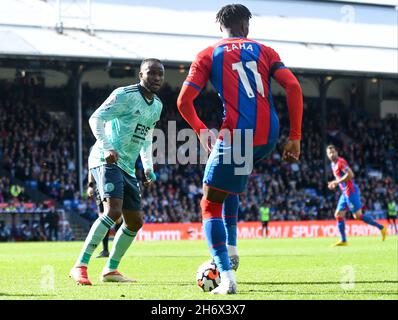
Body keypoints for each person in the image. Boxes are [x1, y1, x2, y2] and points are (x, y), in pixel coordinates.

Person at [177, 4, 303, 294]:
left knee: (209, 202)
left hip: (236, 136)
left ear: (221, 27)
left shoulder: (208, 54)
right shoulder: (265, 51)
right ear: (246, 26)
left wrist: (200, 129)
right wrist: (294, 136)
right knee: (229, 189)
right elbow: (293, 87)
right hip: (269, 135)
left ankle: (225, 276)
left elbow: (184, 102)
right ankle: (231, 251)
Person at [69, 58, 164, 285]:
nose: (157, 78)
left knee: (135, 221)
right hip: (106, 160)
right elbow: (96, 118)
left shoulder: (157, 105)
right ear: (141, 75)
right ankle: (80, 265)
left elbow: (146, 137)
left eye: (160, 74)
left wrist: (148, 167)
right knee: (113, 212)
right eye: (151, 73)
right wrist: (108, 147)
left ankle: (110, 270)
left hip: (128, 166)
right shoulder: (124, 94)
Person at [326, 145, 387, 246]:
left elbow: (350, 174)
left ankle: (381, 227)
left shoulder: (341, 162)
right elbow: (340, 178)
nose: (332, 154)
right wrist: (335, 182)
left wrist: (336, 183)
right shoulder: (333, 164)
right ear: (327, 155)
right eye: (329, 153)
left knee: (357, 216)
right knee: (338, 214)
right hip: (344, 193)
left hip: (351, 192)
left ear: (337, 152)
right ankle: (344, 240)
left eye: (333, 152)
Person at [86, 170, 122, 258]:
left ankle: (118, 250)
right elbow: (91, 168)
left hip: (114, 185)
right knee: (103, 218)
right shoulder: (95, 157)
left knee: (117, 218)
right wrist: (90, 185)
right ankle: (105, 250)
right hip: (100, 188)